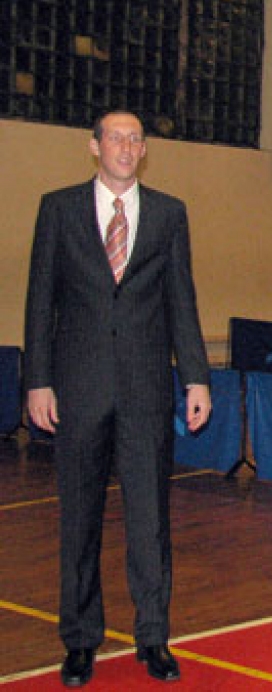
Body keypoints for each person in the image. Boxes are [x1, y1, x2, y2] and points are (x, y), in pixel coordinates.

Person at [24, 110, 212, 687]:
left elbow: (182, 297)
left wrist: (197, 377)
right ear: (94, 145)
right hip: (76, 390)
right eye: (116, 137)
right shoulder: (58, 209)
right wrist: (37, 380)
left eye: (135, 139)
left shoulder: (168, 214)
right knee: (78, 519)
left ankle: (152, 636)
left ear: (144, 150)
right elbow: (40, 301)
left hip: (144, 390)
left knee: (149, 520)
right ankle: (80, 640)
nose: (126, 147)